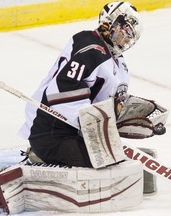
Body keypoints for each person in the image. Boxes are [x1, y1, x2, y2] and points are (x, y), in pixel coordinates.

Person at [18, 1, 143, 168]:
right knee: (105, 164)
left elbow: (107, 104)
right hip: (50, 130)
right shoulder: (90, 47)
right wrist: (95, 125)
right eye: (124, 29)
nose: (126, 37)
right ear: (108, 21)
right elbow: (62, 90)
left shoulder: (118, 62)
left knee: (118, 162)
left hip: (74, 131)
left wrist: (137, 116)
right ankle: (39, 156)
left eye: (130, 33)